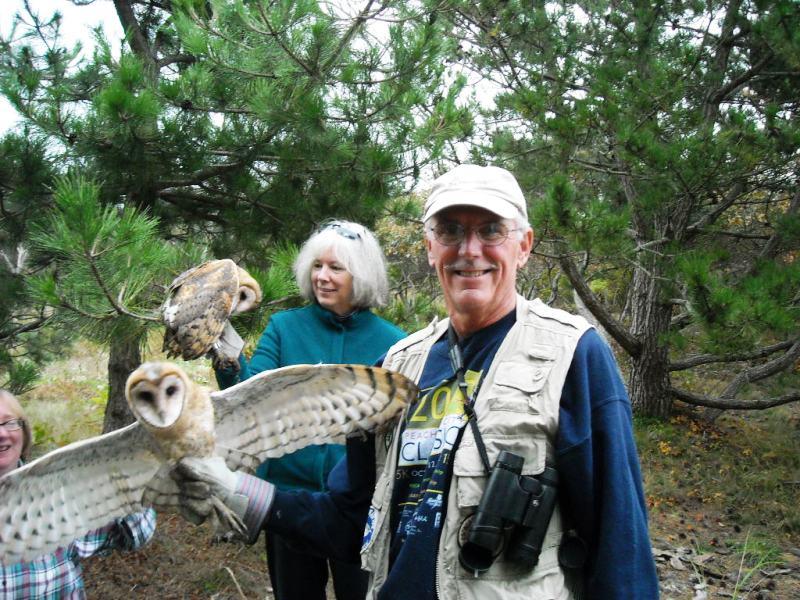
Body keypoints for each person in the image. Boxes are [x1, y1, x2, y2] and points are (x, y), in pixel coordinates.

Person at [174, 165, 660, 599]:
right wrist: (236, 489)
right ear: (430, 248)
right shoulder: (398, 365)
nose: (470, 250)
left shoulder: (570, 355)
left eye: (491, 230)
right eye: (450, 231)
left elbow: (620, 544)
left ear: (524, 245)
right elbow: (352, 520)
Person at [215, 220, 406, 600]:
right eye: (317, 265)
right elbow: (248, 399)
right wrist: (225, 351)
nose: (323, 276)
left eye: (336, 268)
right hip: (290, 500)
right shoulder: (285, 327)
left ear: (361, 275)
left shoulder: (395, 343)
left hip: (360, 507)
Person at [0, 388, 156, 599]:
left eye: (9, 422)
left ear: (23, 430)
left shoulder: (59, 490)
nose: (2, 434)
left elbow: (135, 534)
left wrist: (124, 478)